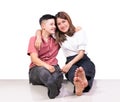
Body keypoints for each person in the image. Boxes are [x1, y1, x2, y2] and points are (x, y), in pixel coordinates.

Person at [35, 11, 95, 96]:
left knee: (89, 68)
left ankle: (82, 83)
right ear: (56, 26)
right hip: (69, 59)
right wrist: (38, 37)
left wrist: (69, 64)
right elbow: (41, 29)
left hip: (82, 58)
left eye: (64, 21)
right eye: (59, 24)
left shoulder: (79, 31)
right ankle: (79, 83)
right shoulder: (56, 35)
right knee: (71, 72)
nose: (62, 25)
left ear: (68, 20)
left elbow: (81, 53)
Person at [27, 14, 63, 99]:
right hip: (37, 69)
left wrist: (77, 29)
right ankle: (53, 86)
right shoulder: (34, 39)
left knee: (59, 75)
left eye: (55, 25)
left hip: (54, 67)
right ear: (43, 26)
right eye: (51, 24)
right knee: (44, 72)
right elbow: (34, 59)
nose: (54, 26)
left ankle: (53, 87)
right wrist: (47, 66)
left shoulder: (57, 40)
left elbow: (67, 32)